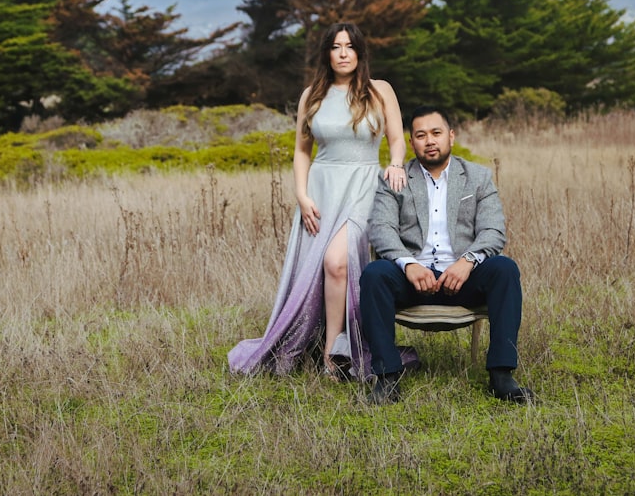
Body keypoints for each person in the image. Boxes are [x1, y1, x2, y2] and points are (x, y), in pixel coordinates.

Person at [228, 22, 411, 380]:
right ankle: (329, 353)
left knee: (337, 262)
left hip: (363, 186)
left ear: (360, 52)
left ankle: (336, 349)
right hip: (321, 189)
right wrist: (301, 194)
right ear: (327, 54)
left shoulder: (380, 90)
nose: (343, 53)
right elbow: (301, 150)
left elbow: (397, 138)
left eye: (350, 46)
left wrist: (396, 163)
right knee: (322, 269)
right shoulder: (311, 94)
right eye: (336, 47)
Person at [360, 105, 535, 404]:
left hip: (461, 280)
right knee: (375, 274)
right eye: (421, 135)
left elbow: (494, 232)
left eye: (436, 133)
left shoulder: (477, 177)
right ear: (411, 142)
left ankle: (502, 376)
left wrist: (467, 262)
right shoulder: (395, 178)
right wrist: (409, 264)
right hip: (412, 281)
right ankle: (388, 378)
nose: (430, 140)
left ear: (451, 137)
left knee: (504, 268)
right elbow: (381, 230)